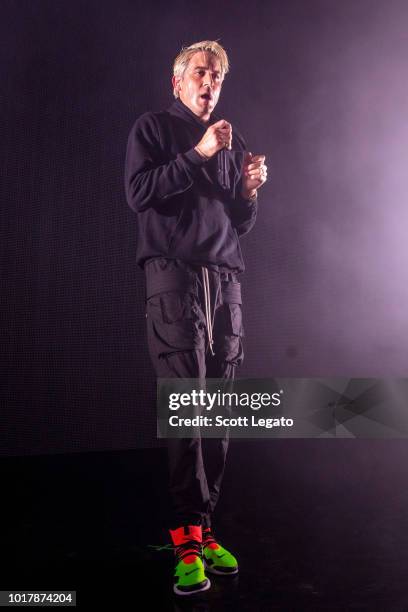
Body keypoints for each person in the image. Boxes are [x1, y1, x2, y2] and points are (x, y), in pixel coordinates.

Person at [124, 40, 267, 596]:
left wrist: (250, 193)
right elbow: (139, 194)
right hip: (174, 280)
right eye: (202, 73)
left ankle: (205, 530)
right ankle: (185, 539)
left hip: (225, 283)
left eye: (219, 77)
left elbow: (237, 223)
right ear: (178, 81)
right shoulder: (153, 129)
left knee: (221, 413)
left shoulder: (234, 140)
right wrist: (200, 153)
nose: (211, 83)